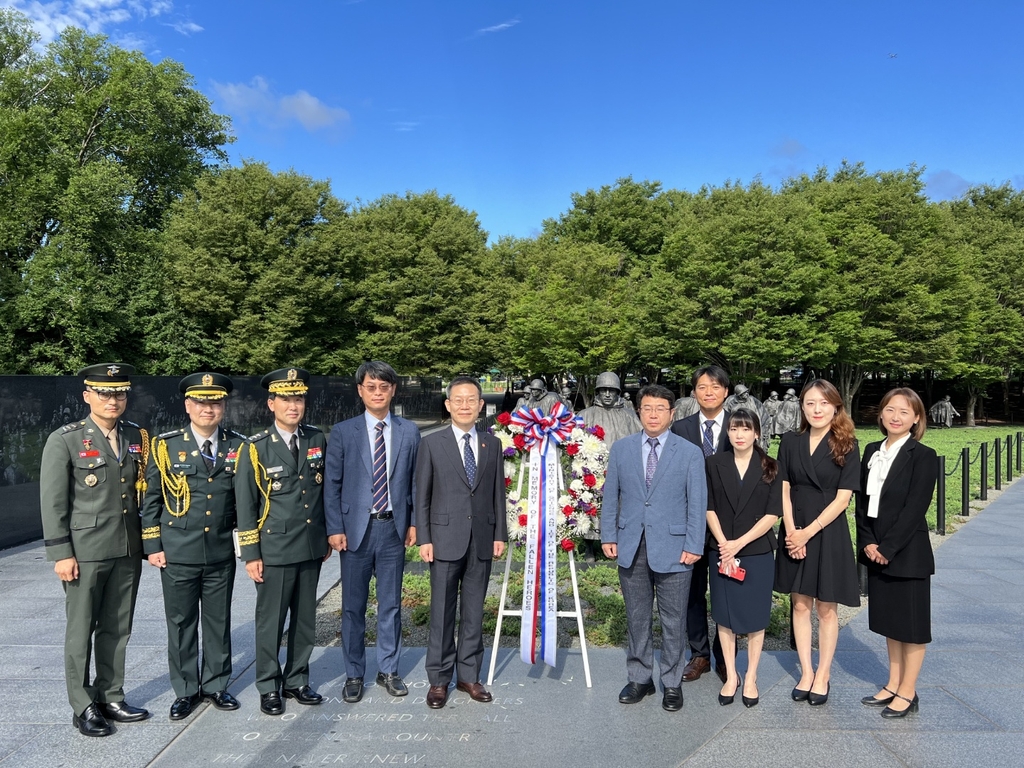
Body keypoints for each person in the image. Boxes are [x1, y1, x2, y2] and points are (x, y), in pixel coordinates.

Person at [40, 363, 151, 737]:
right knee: (81, 628)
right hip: (84, 550)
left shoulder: (138, 436)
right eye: (104, 392)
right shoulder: (67, 439)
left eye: (119, 392)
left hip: (126, 547)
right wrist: (61, 554)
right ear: (87, 396)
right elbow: (53, 502)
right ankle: (82, 704)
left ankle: (110, 694)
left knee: (118, 627)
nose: (112, 400)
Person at [141, 373, 246, 720]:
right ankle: (186, 689)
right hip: (178, 550)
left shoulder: (239, 446)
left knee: (218, 621)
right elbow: (152, 499)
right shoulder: (166, 445)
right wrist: (153, 544)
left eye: (214, 402)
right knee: (182, 622)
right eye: (200, 402)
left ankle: (216, 685)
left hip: (219, 550)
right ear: (188, 405)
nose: (207, 409)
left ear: (223, 406)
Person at [601, 384, 706, 712]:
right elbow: (610, 497)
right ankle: (640, 678)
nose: (653, 414)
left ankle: (672, 682)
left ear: (672, 413)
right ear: (638, 411)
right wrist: (608, 536)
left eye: (661, 408)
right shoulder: (622, 449)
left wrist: (693, 543)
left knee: (674, 618)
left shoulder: (689, 452)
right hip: (632, 544)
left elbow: (697, 502)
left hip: (675, 548)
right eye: (647, 408)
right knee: (637, 616)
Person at [235, 367, 329, 716]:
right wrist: (250, 554)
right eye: (286, 399)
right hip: (273, 549)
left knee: (305, 619)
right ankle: (268, 685)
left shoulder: (316, 439)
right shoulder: (255, 447)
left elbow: (321, 493)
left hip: (309, 545)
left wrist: (326, 536)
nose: (294, 405)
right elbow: (246, 505)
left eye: (299, 398)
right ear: (271, 403)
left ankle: (297, 680)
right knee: (270, 621)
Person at [324, 361, 420, 703]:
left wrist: (414, 523)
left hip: (393, 529)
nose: (377, 393)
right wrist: (334, 528)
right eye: (371, 387)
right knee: (353, 606)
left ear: (393, 390)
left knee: (391, 605)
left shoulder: (409, 432)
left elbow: (414, 482)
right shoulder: (342, 432)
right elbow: (332, 485)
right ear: (360, 391)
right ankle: (353, 673)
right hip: (355, 533)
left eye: (384, 387)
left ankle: (389, 669)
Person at [415, 376, 507, 709]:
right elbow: (421, 495)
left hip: (481, 539)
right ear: (448, 405)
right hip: (443, 539)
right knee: (441, 611)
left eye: (472, 400)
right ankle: (438, 680)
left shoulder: (491, 444)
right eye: (459, 400)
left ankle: (469, 675)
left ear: (481, 405)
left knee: (473, 611)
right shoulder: (431, 443)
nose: (465, 405)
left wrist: (499, 534)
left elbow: (497, 492)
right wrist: (424, 537)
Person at [774, 379, 861, 706]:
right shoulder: (789, 441)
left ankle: (823, 673)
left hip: (827, 531)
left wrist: (806, 533)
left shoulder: (847, 444)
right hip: (793, 527)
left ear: (836, 406)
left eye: (823, 403)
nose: (816, 409)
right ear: (802, 407)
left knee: (826, 607)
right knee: (799, 604)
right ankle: (806, 671)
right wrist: (792, 530)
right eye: (810, 403)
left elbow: (843, 499)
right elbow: (782, 487)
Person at [856, 388, 937, 718]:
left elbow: (916, 507)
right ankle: (892, 683)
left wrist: (887, 548)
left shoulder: (923, 455)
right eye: (890, 409)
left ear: (916, 418)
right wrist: (867, 542)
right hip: (876, 549)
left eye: (904, 412)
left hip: (907, 553)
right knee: (890, 623)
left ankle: (908, 691)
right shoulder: (872, 450)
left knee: (912, 626)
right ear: (881, 414)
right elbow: (862, 504)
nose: (895, 416)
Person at [705, 409, 781, 708]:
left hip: (756, 551)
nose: (739, 434)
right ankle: (732, 676)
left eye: (746, 429)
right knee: (724, 615)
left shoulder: (771, 467)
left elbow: (772, 514)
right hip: (720, 549)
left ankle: (750, 677)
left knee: (755, 617)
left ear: (756, 433)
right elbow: (708, 507)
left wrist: (739, 543)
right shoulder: (713, 464)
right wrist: (725, 543)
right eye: (734, 429)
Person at [670, 364, 732, 684]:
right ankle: (700, 655)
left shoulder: (740, 425)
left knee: (724, 592)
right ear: (694, 392)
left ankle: (725, 656)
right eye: (702, 387)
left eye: (715, 387)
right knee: (692, 593)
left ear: (726, 391)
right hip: (690, 524)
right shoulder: (680, 429)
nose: (709, 392)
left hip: (728, 527)